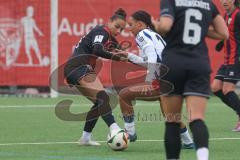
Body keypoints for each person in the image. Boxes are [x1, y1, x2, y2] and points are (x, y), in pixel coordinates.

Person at [154, 0, 229, 159]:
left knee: (173, 120)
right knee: (197, 117)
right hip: (198, 63)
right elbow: (224, 34)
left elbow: (166, 26)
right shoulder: (208, 4)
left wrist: (157, 25)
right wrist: (201, 30)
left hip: (173, 64)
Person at [118, 10, 194, 149]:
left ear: (140, 24)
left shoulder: (141, 34)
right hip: (172, 77)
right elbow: (149, 61)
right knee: (170, 115)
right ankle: (188, 142)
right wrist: (129, 56)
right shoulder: (153, 34)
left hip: (163, 78)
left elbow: (153, 57)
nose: (129, 28)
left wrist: (149, 80)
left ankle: (130, 133)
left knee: (124, 95)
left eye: (131, 24)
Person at [64, 8, 128, 146]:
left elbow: (120, 51)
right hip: (78, 66)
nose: (118, 31)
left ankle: (85, 138)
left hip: (73, 68)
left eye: (122, 29)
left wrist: (126, 56)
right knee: (103, 98)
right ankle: (115, 128)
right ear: (109, 22)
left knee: (98, 103)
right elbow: (97, 50)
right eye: (117, 26)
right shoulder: (102, 31)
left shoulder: (109, 37)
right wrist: (116, 57)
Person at [212, 0, 240, 132]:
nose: (224, 1)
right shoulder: (225, 16)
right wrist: (221, 43)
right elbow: (229, 34)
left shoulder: (238, 15)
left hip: (236, 59)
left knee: (227, 89)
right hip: (227, 59)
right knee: (216, 88)